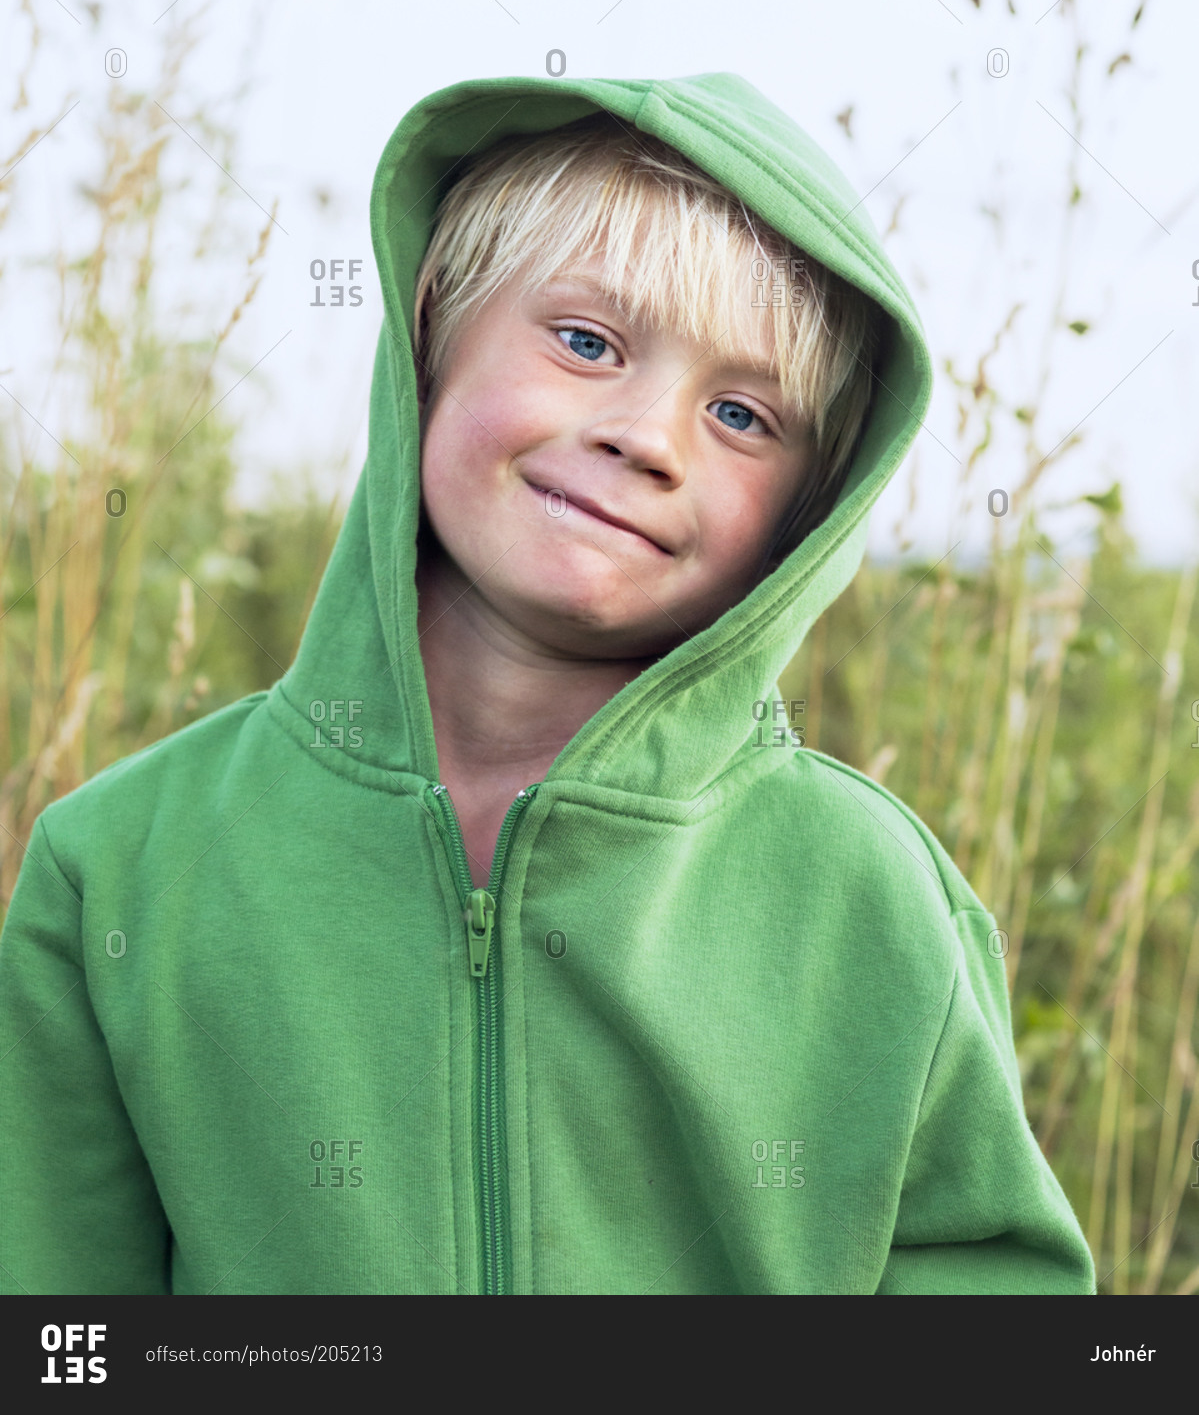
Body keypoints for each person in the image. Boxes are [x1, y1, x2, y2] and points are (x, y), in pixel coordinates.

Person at [0, 72, 1095, 1294]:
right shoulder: (120, 867)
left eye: (740, 415)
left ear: (802, 516)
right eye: (586, 342)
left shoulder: (869, 900)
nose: (646, 434)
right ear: (429, 343)